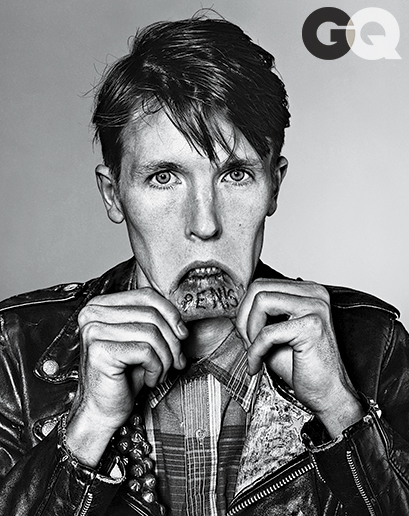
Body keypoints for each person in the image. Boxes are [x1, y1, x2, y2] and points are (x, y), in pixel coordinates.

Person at [0, 15, 408, 516]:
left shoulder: (373, 344)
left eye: (235, 175)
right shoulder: (16, 352)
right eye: (164, 177)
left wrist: (340, 410)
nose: (205, 223)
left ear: (274, 186)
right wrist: (87, 429)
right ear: (113, 195)